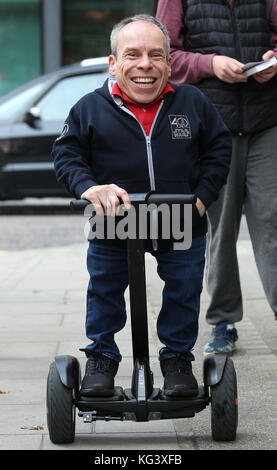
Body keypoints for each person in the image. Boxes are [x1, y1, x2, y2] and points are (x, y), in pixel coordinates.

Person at [52, 14, 231, 398]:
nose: (145, 65)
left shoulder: (192, 102)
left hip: (180, 213)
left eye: (156, 55)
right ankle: (101, 357)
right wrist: (88, 187)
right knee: (105, 287)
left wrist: (202, 198)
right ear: (113, 63)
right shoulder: (89, 107)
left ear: (169, 62)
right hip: (114, 218)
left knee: (184, 289)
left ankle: (177, 359)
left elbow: (218, 148)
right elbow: (67, 154)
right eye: (132, 54)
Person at [156, 0, 277, 355]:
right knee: (220, 229)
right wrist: (211, 64)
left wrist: (271, 60)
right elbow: (167, 56)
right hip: (214, 127)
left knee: (273, 222)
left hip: (267, 121)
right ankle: (223, 320)